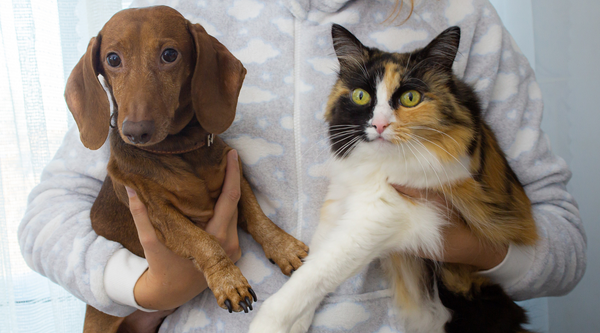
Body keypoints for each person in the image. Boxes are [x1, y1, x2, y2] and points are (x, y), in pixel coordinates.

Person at [19, 0, 586, 332]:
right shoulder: (174, 25)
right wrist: (146, 286)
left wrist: (460, 240)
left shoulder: (463, 20)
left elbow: (564, 248)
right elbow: (47, 219)